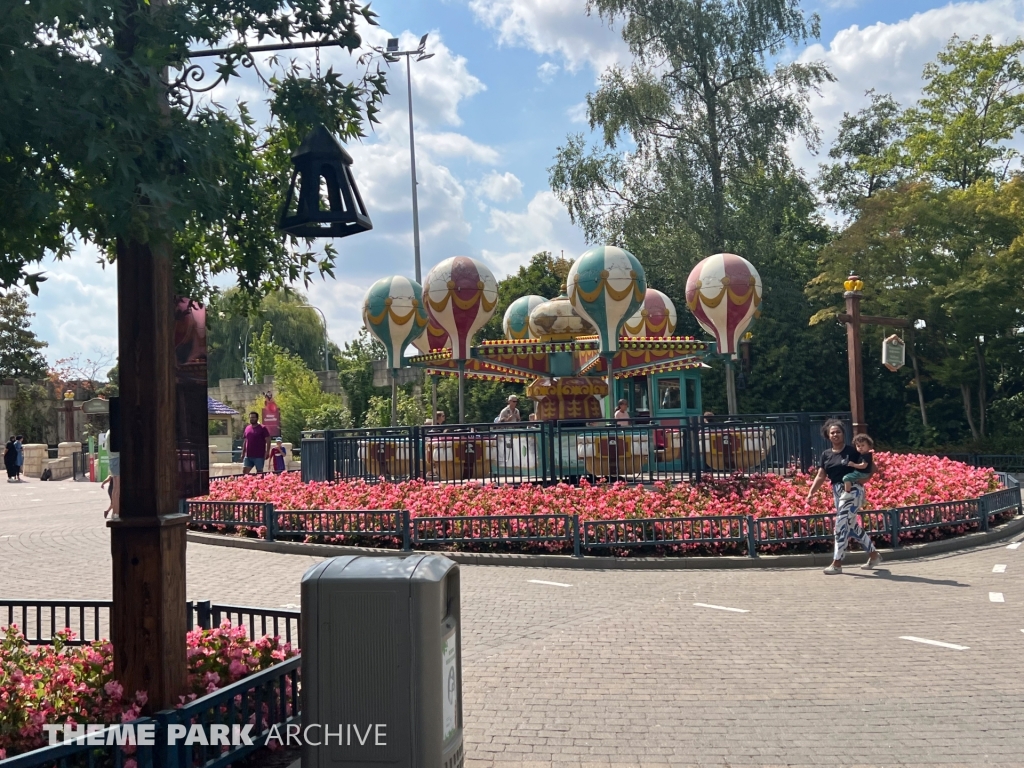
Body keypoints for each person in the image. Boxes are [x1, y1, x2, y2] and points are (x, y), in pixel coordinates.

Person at [806, 419, 882, 574]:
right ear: (828, 435)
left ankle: (837, 563)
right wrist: (811, 492)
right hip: (837, 492)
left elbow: (871, 466)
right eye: (832, 432)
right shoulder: (826, 455)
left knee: (840, 526)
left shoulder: (852, 451)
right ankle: (874, 555)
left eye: (838, 432)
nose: (835, 434)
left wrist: (864, 480)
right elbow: (821, 476)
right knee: (852, 526)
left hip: (851, 491)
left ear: (843, 434)